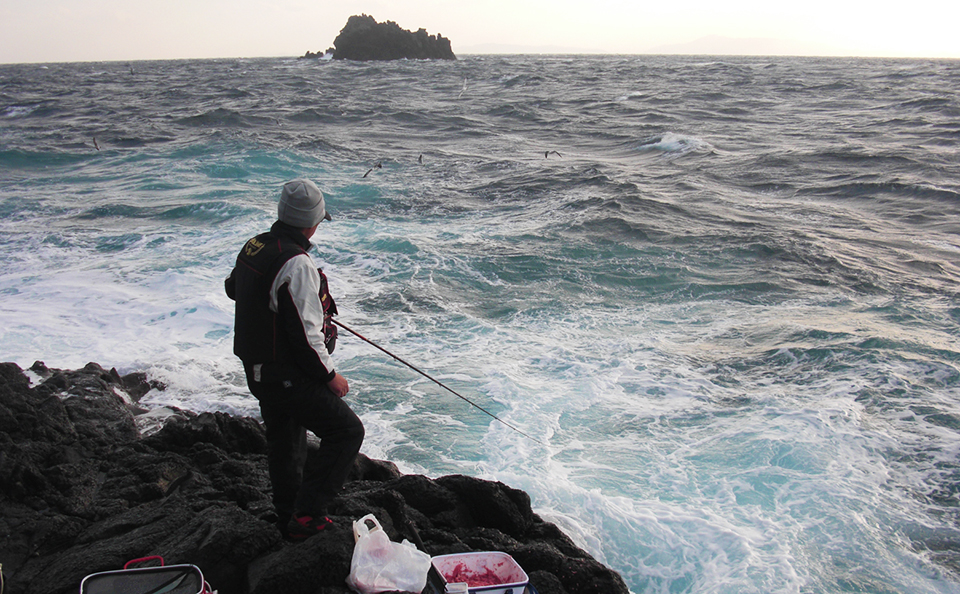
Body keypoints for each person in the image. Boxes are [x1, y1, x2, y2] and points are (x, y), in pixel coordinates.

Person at [225, 178, 364, 540]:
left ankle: (289, 517)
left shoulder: (255, 246)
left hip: (256, 370)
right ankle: (309, 513)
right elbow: (305, 338)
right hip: (285, 374)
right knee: (347, 432)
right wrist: (332, 377)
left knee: (285, 442)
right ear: (311, 223)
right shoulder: (298, 264)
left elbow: (232, 287)